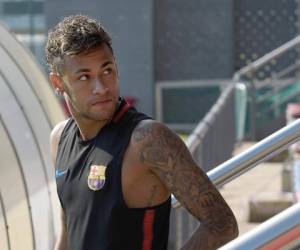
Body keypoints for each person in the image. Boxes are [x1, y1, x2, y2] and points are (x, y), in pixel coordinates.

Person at [46, 15, 238, 250]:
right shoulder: (59, 138)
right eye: (84, 77)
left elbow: (221, 223)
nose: (101, 87)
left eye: (107, 70)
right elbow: (68, 231)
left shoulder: (147, 139)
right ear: (58, 83)